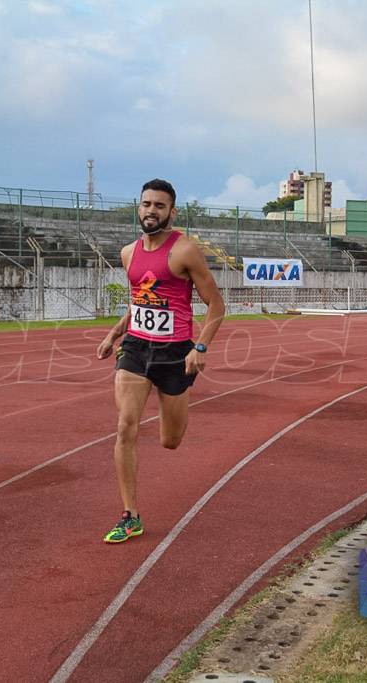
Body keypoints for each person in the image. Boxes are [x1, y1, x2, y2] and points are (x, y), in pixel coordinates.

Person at [96, 179, 225, 543]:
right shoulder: (128, 253)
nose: (151, 210)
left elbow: (216, 305)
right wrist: (114, 334)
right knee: (125, 426)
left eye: (159, 205)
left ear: (171, 212)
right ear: (138, 208)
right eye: (146, 204)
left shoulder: (185, 252)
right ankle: (130, 515)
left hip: (175, 354)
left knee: (170, 441)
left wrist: (199, 349)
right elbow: (138, 302)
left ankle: (174, 405)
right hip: (136, 348)